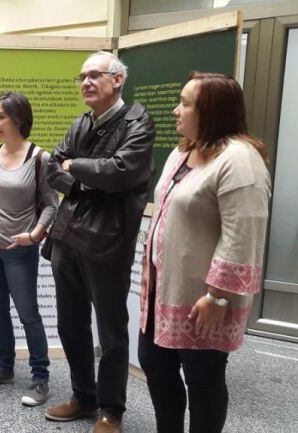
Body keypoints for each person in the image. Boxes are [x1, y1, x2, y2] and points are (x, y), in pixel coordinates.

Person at [138, 72, 270, 433]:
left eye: (185, 103)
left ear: (211, 110)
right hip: (163, 293)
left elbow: (243, 233)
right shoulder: (183, 152)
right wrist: (149, 265)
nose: (176, 110)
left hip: (205, 300)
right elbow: (166, 211)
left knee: (203, 380)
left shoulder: (240, 159)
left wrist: (218, 296)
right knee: (154, 364)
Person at [44, 51, 155, 433]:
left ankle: (112, 411)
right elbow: (51, 166)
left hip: (107, 242)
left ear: (117, 80)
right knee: (69, 324)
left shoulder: (138, 121)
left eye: (95, 75)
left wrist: (75, 167)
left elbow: (122, 171)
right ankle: (83, 396)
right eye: (82, 77)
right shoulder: (79, 124)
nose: (86, 82)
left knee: (110, 331)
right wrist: (85, 181)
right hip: (67, 237)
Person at [0, 92, 58, 406]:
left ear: (19, 119)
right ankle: (4, 367)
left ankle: (40, 378)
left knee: (29, 314)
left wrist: (34, 236)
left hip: (19, 250)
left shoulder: (39, 158)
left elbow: (51, 205)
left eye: (1, 116)